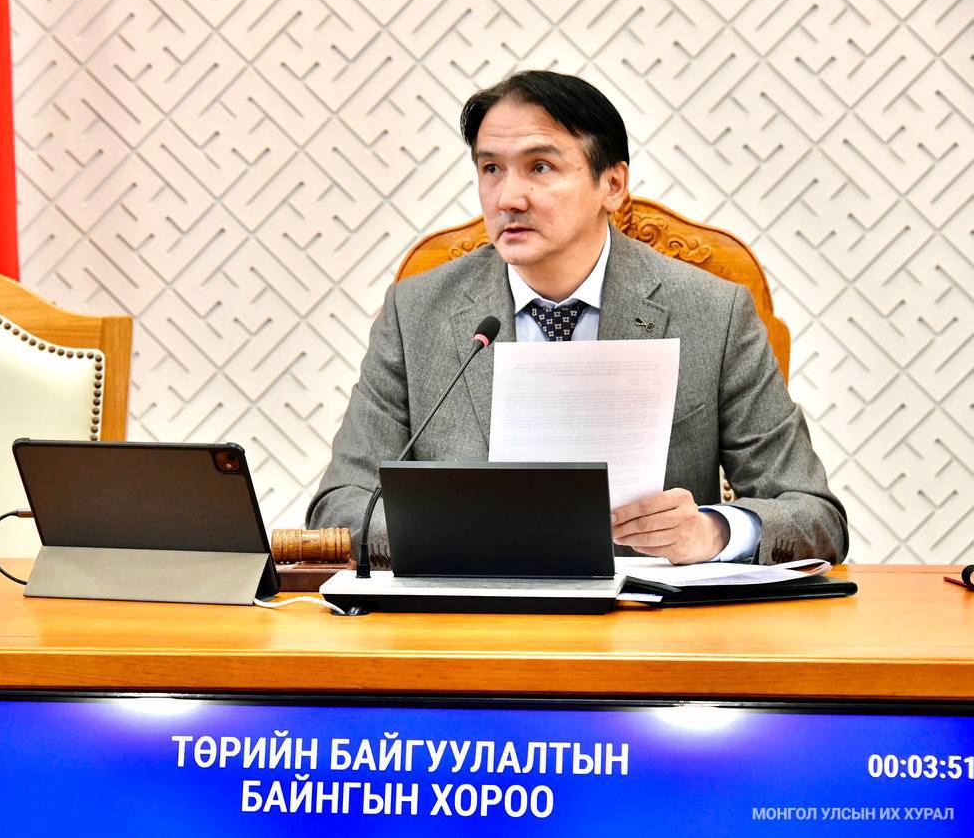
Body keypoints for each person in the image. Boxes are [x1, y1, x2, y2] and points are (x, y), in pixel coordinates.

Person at [306, 70, 848, 566]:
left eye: (540, 167)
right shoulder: (417, 312)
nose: (508, 198)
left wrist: (714, 531)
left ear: (612, 185)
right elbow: (339, 508)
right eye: (491, 169)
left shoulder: (712, 313)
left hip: (646, 622)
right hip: (471, 618)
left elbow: (815, 516)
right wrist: (463, 531)